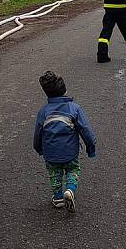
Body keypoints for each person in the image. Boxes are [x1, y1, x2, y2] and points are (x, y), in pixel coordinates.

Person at [33, 71, 96, 213]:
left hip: (50, 154)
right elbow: (85, 130)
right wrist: (90, 148)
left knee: (54, 174)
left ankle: (58, 197)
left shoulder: (43, 112)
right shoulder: (74, 109)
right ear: (65, 90)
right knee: (73, 170)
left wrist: (39, 149)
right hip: (70, 153)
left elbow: (38, 133)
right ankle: (70, 190)